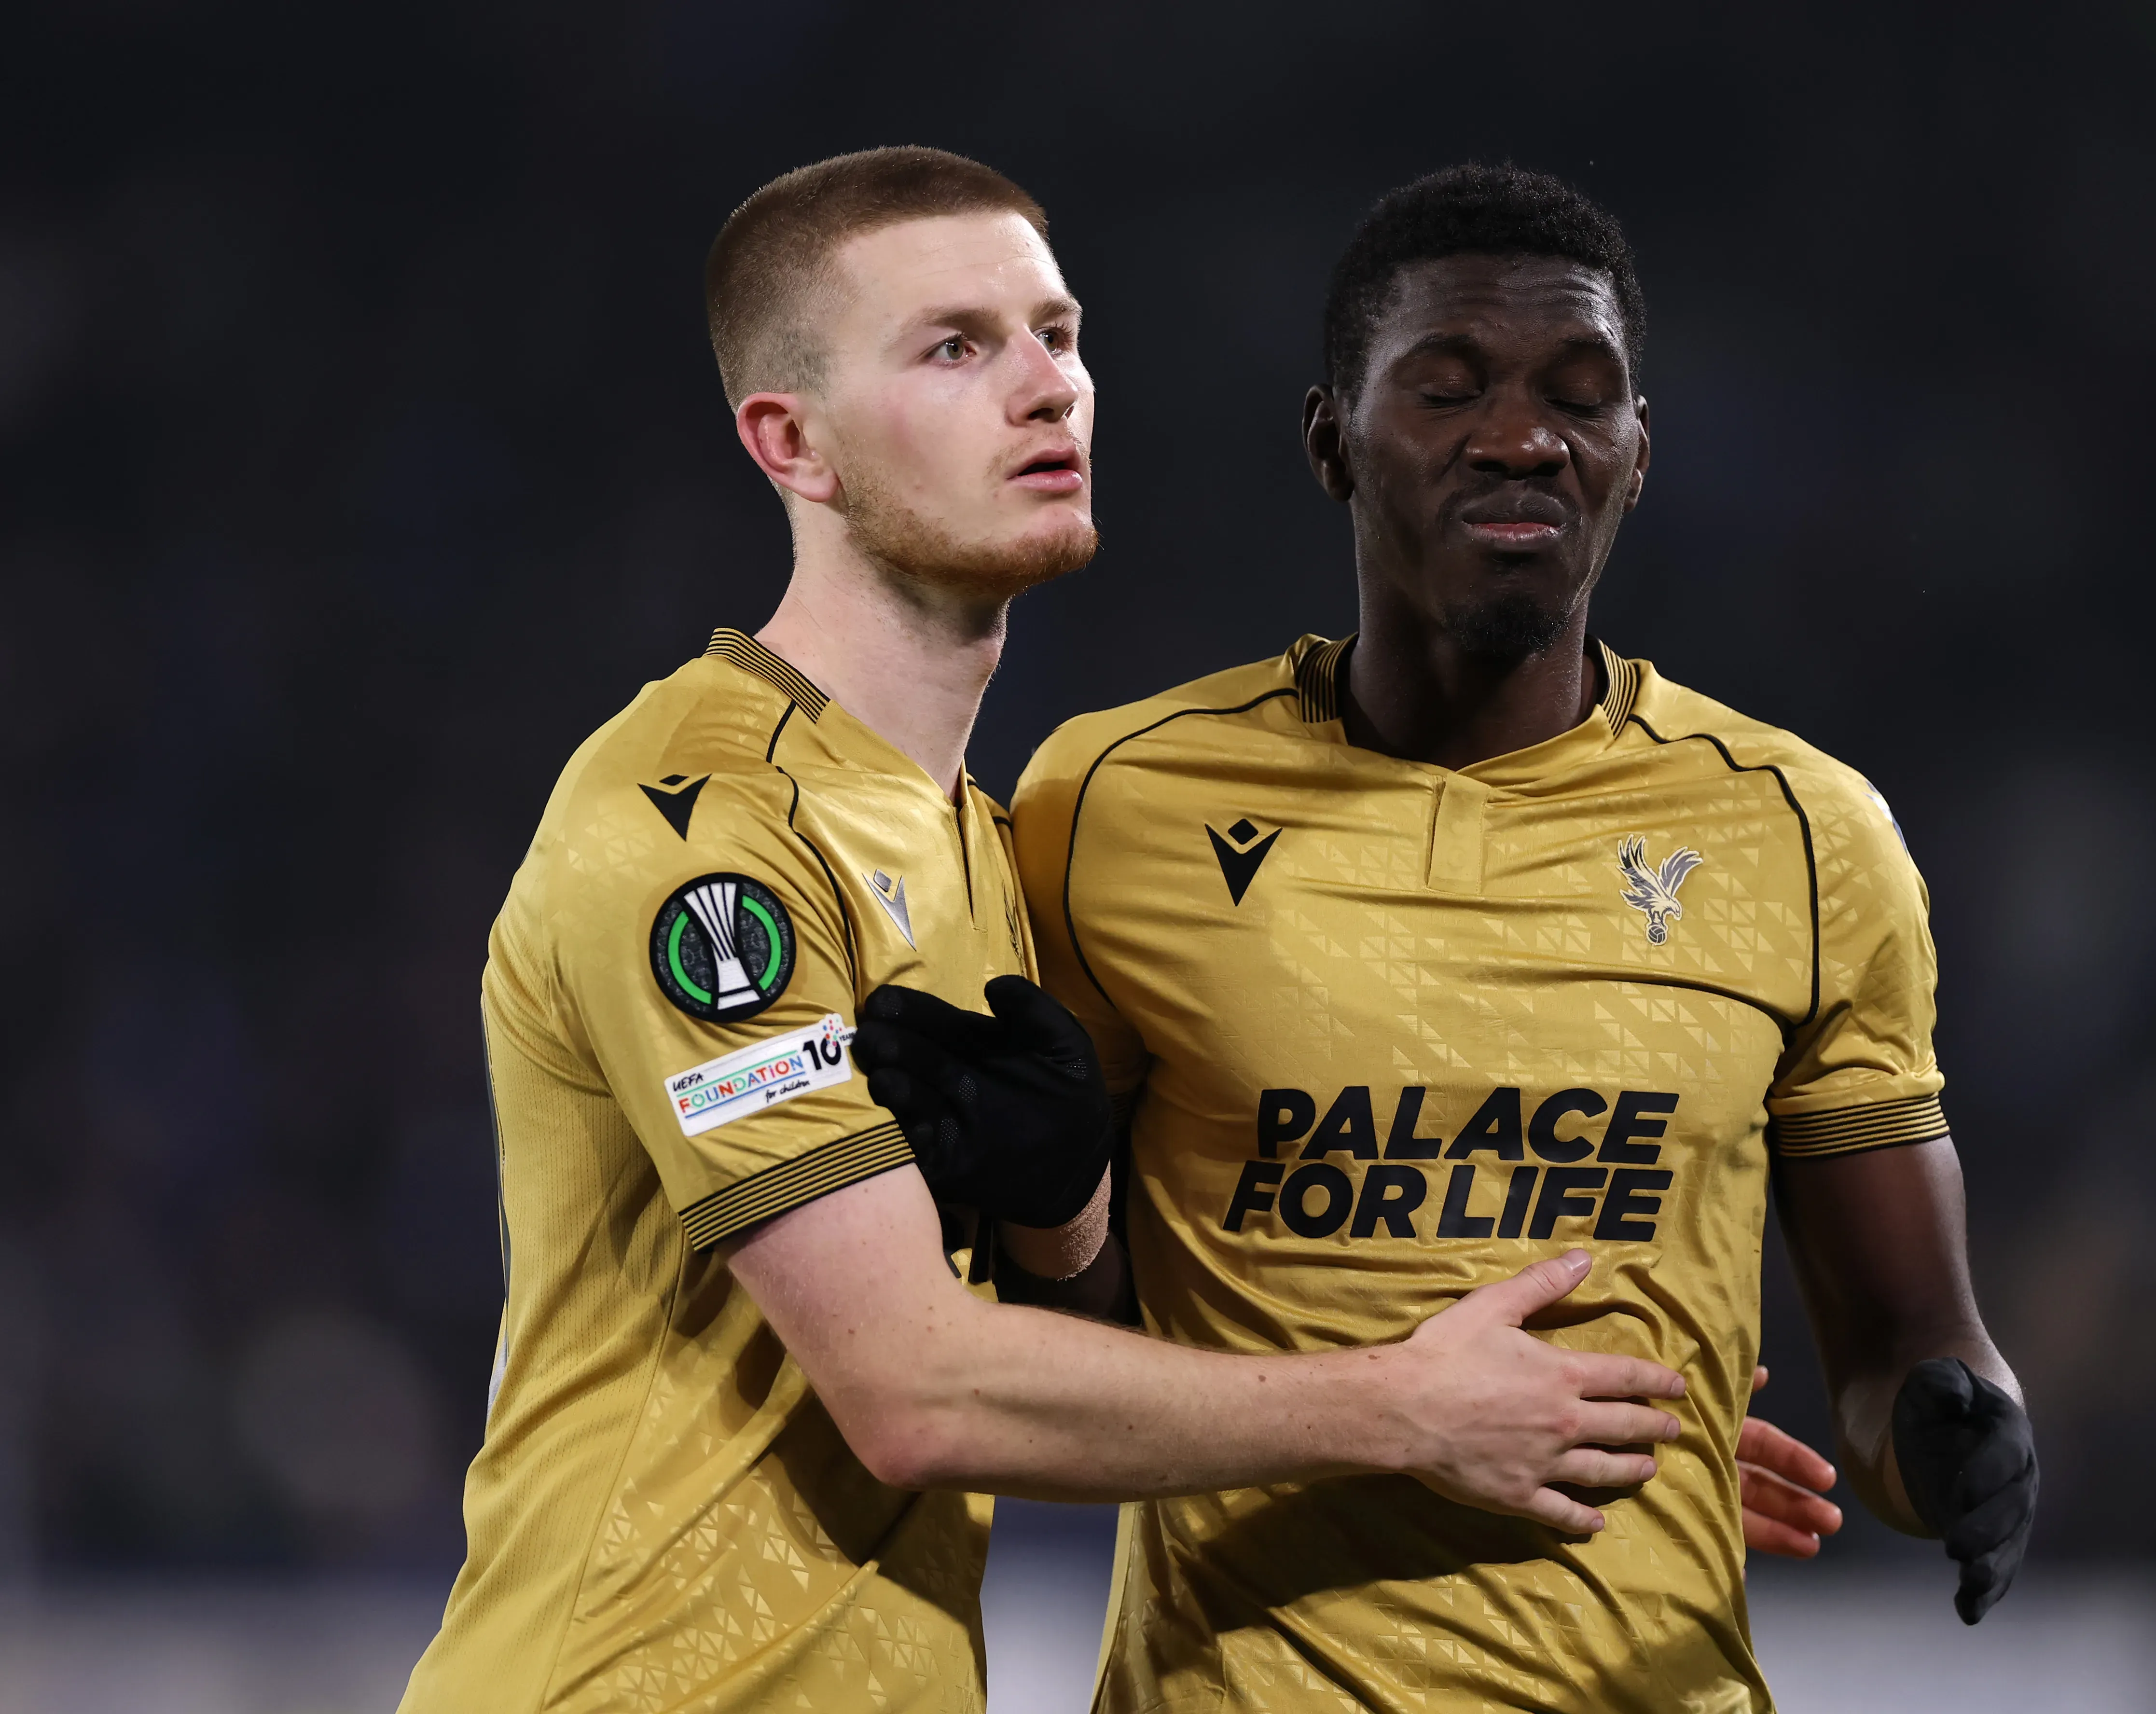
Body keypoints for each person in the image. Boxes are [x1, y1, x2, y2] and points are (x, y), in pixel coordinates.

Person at [394, 148, 1691, 1714]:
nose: (1046, 388)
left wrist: (1583, 1420)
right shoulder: (698, 832)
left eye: (1057, 335)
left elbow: (1074, 1368)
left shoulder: (979, 843)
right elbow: (917, 1392)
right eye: (956, 348)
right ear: (792, 443)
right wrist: (1414, 1410)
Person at [979, 165, 2038, 1712]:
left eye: (1577, 396)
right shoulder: (1110, 805)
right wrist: (1055, 1215)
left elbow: (1905, 1359)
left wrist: (1955, 1439)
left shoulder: (1803, 837)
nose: (1521, 436)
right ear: (1330, 440)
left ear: (1636, 456)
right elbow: (1054, 1351)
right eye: (1448, 388)